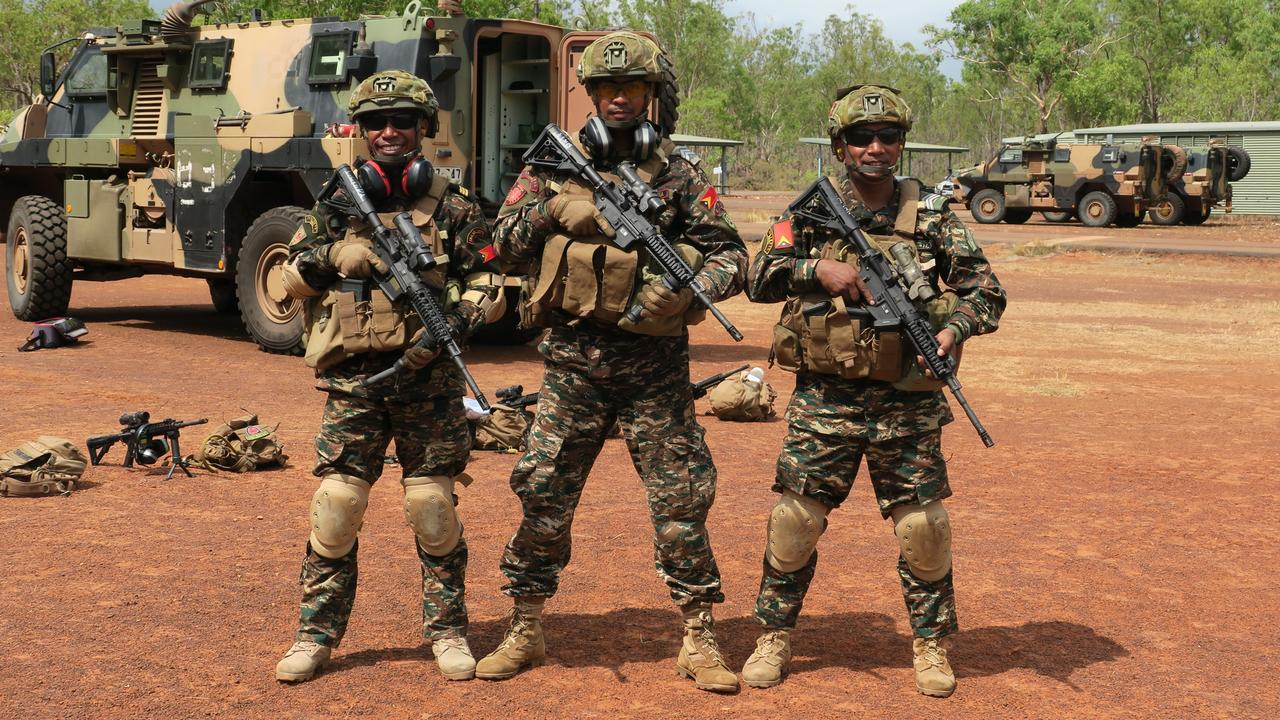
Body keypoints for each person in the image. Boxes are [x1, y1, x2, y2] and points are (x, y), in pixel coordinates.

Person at [474, 31, 747, 693]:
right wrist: (557, 209)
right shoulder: (551, 166)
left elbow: (733, 256)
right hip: (571, 365)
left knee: (682, 501)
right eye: (607, 88)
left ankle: (699, 637)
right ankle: (526, 627)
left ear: (652, 97)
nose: (620, 98)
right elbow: (499, 246)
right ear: (592, 95)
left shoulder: (679, 174)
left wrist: (691, 287)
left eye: (633, 89)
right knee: (542, 496)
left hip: (654, 368)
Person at [739, 84, 1006, 697]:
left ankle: (931, 644)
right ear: (840, 145)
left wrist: (953, 328)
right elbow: (753, 274)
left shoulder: (931, 217)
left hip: (908, 400)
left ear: (902, 144)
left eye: (888, 137)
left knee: (923, 528)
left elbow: (987, 292)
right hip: (825, 400)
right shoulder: (809, 213)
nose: (876, 148)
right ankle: (773, 636)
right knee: (795, 521)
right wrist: (816, 271)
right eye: (861, 137)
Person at [273, 70, 503, 683]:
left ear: (424, 129)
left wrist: (449, 325)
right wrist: (329, 257)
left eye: (403, 121)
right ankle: (314, 636)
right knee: (337, 507)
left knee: (432, 507)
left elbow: (491, 284)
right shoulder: (336, 202)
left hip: (429, 385)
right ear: (362, 131)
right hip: (354, 384)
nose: (390, 132)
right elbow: (284, 282)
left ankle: (449, 631)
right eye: (376, 123)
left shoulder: (453, 207)